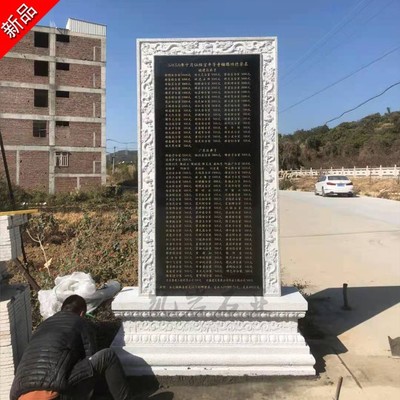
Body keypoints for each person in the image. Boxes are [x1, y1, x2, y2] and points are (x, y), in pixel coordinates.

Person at [10, 294, 134, 400]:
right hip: (55, 393)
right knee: (107, 356)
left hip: (20, 394)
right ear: (82, 313)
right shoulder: (80, 322)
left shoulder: (42, 326)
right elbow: (90, 357)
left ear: (62, 309)